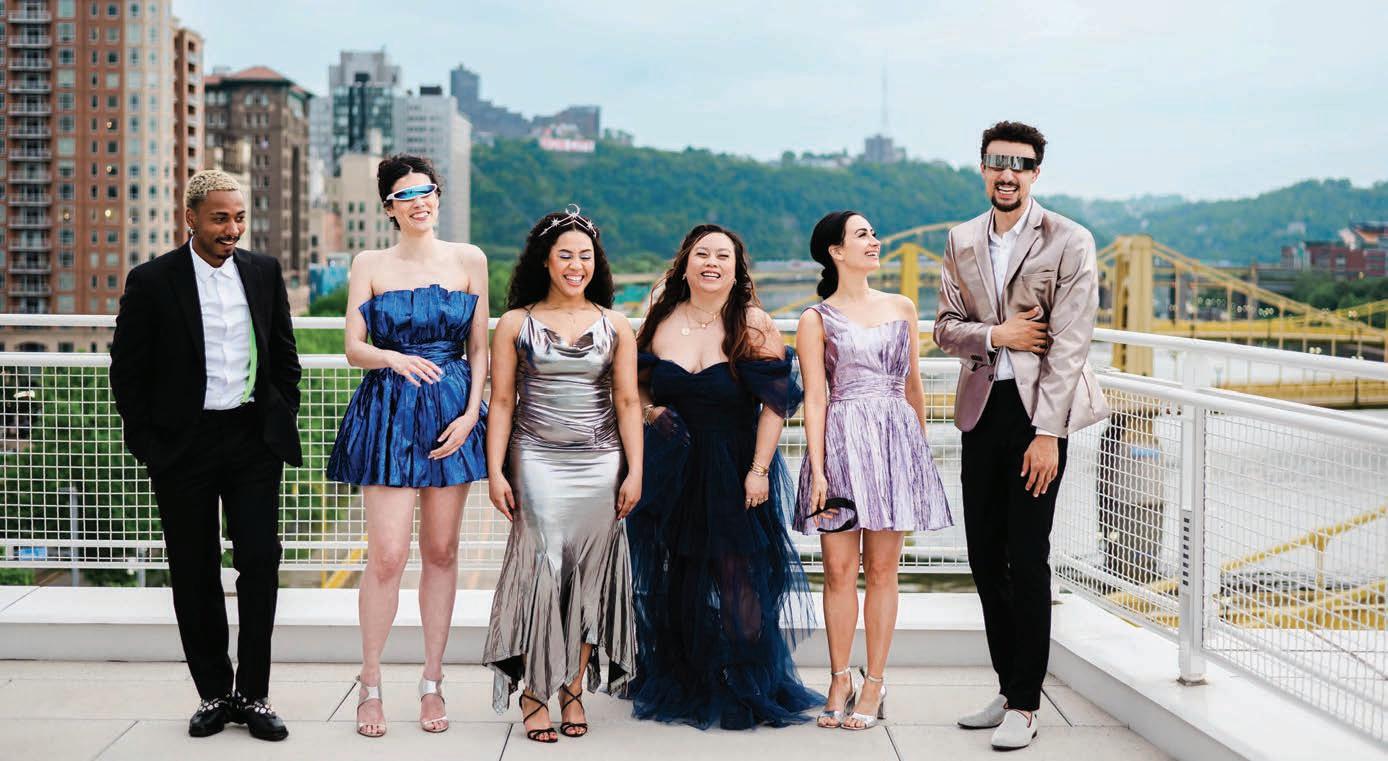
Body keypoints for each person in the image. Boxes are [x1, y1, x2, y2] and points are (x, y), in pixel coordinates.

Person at [935, 121, 1109, 751]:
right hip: (983, 410)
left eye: (1020, 164)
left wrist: (1048, 434)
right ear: (982, 168)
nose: (1007, 174)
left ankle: (1027, 705)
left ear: (1036, 173)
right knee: (984, 556)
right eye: (996, 162)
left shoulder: (1070, 239)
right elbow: (945, 328)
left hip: (1038, 415)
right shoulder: (960, 239)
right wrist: (995, 335)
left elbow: (1071, 343)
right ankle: (1009, 688)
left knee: (1027, 557)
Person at [109, 169, 300, 742]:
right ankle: (214, 692)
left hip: (251, 441)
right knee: (194, 570)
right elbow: (127, 371)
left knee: (260, 562)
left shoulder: (264, 272)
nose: (232, 229)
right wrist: (150, 445)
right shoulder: (152, 281)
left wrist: (278, 416)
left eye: (239, 218)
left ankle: (255, 693)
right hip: (182, 446)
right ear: (190, 218)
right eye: (220, 218)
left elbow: (284, 356)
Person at [626, 223, 822, 730]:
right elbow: (634, 382)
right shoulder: (660, 315)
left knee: (740, 576)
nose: (711, 263)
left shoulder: (752, 323)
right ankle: (686, 677)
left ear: (736, 271)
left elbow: (775, 405)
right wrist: (650, 411)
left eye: (723, 256)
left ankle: (748, 683)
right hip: (671, 466)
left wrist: (759, 471)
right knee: (675, 573)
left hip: (734, 466)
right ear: (685, 264)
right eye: (702, 254)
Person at [326, 154, 490, 738]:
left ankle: (432, 681)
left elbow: (479, 348)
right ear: (389, 207)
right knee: (389, 555)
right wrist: (392, 357)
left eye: (428, 191)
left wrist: (471, 415)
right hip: (388, 412)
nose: (421, 202)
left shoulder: (470, 259)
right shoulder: (369, 263)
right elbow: (353, 346)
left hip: (451, 413)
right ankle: (369, 684)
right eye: (407, 195)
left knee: (441, 551)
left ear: (438, 197)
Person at [482, 206, 641, 743]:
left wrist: (635, 471)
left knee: (590, 574)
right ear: (546, 262)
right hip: (536, 459)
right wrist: (495, 471)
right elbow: (502, 401)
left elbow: (627, 402)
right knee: (543, 572)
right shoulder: (515, 322)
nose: (577, 265)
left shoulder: (616, 324)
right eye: (566, 255)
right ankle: (534, 690)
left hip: (600, 460)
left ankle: (572, 689)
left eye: (585, 256)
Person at [794, 210, 953, 730]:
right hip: (840, 444)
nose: (875, 241)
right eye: (862, 235)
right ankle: (839, 677)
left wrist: (919, 456)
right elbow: (814, 397)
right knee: (838, 570)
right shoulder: (815, 318)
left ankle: (875, 682)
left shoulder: (901, 307)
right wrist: (818, 469)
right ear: (836, 251)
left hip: (893, 444)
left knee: (884, 571)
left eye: (874, 233)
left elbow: (912, 385)